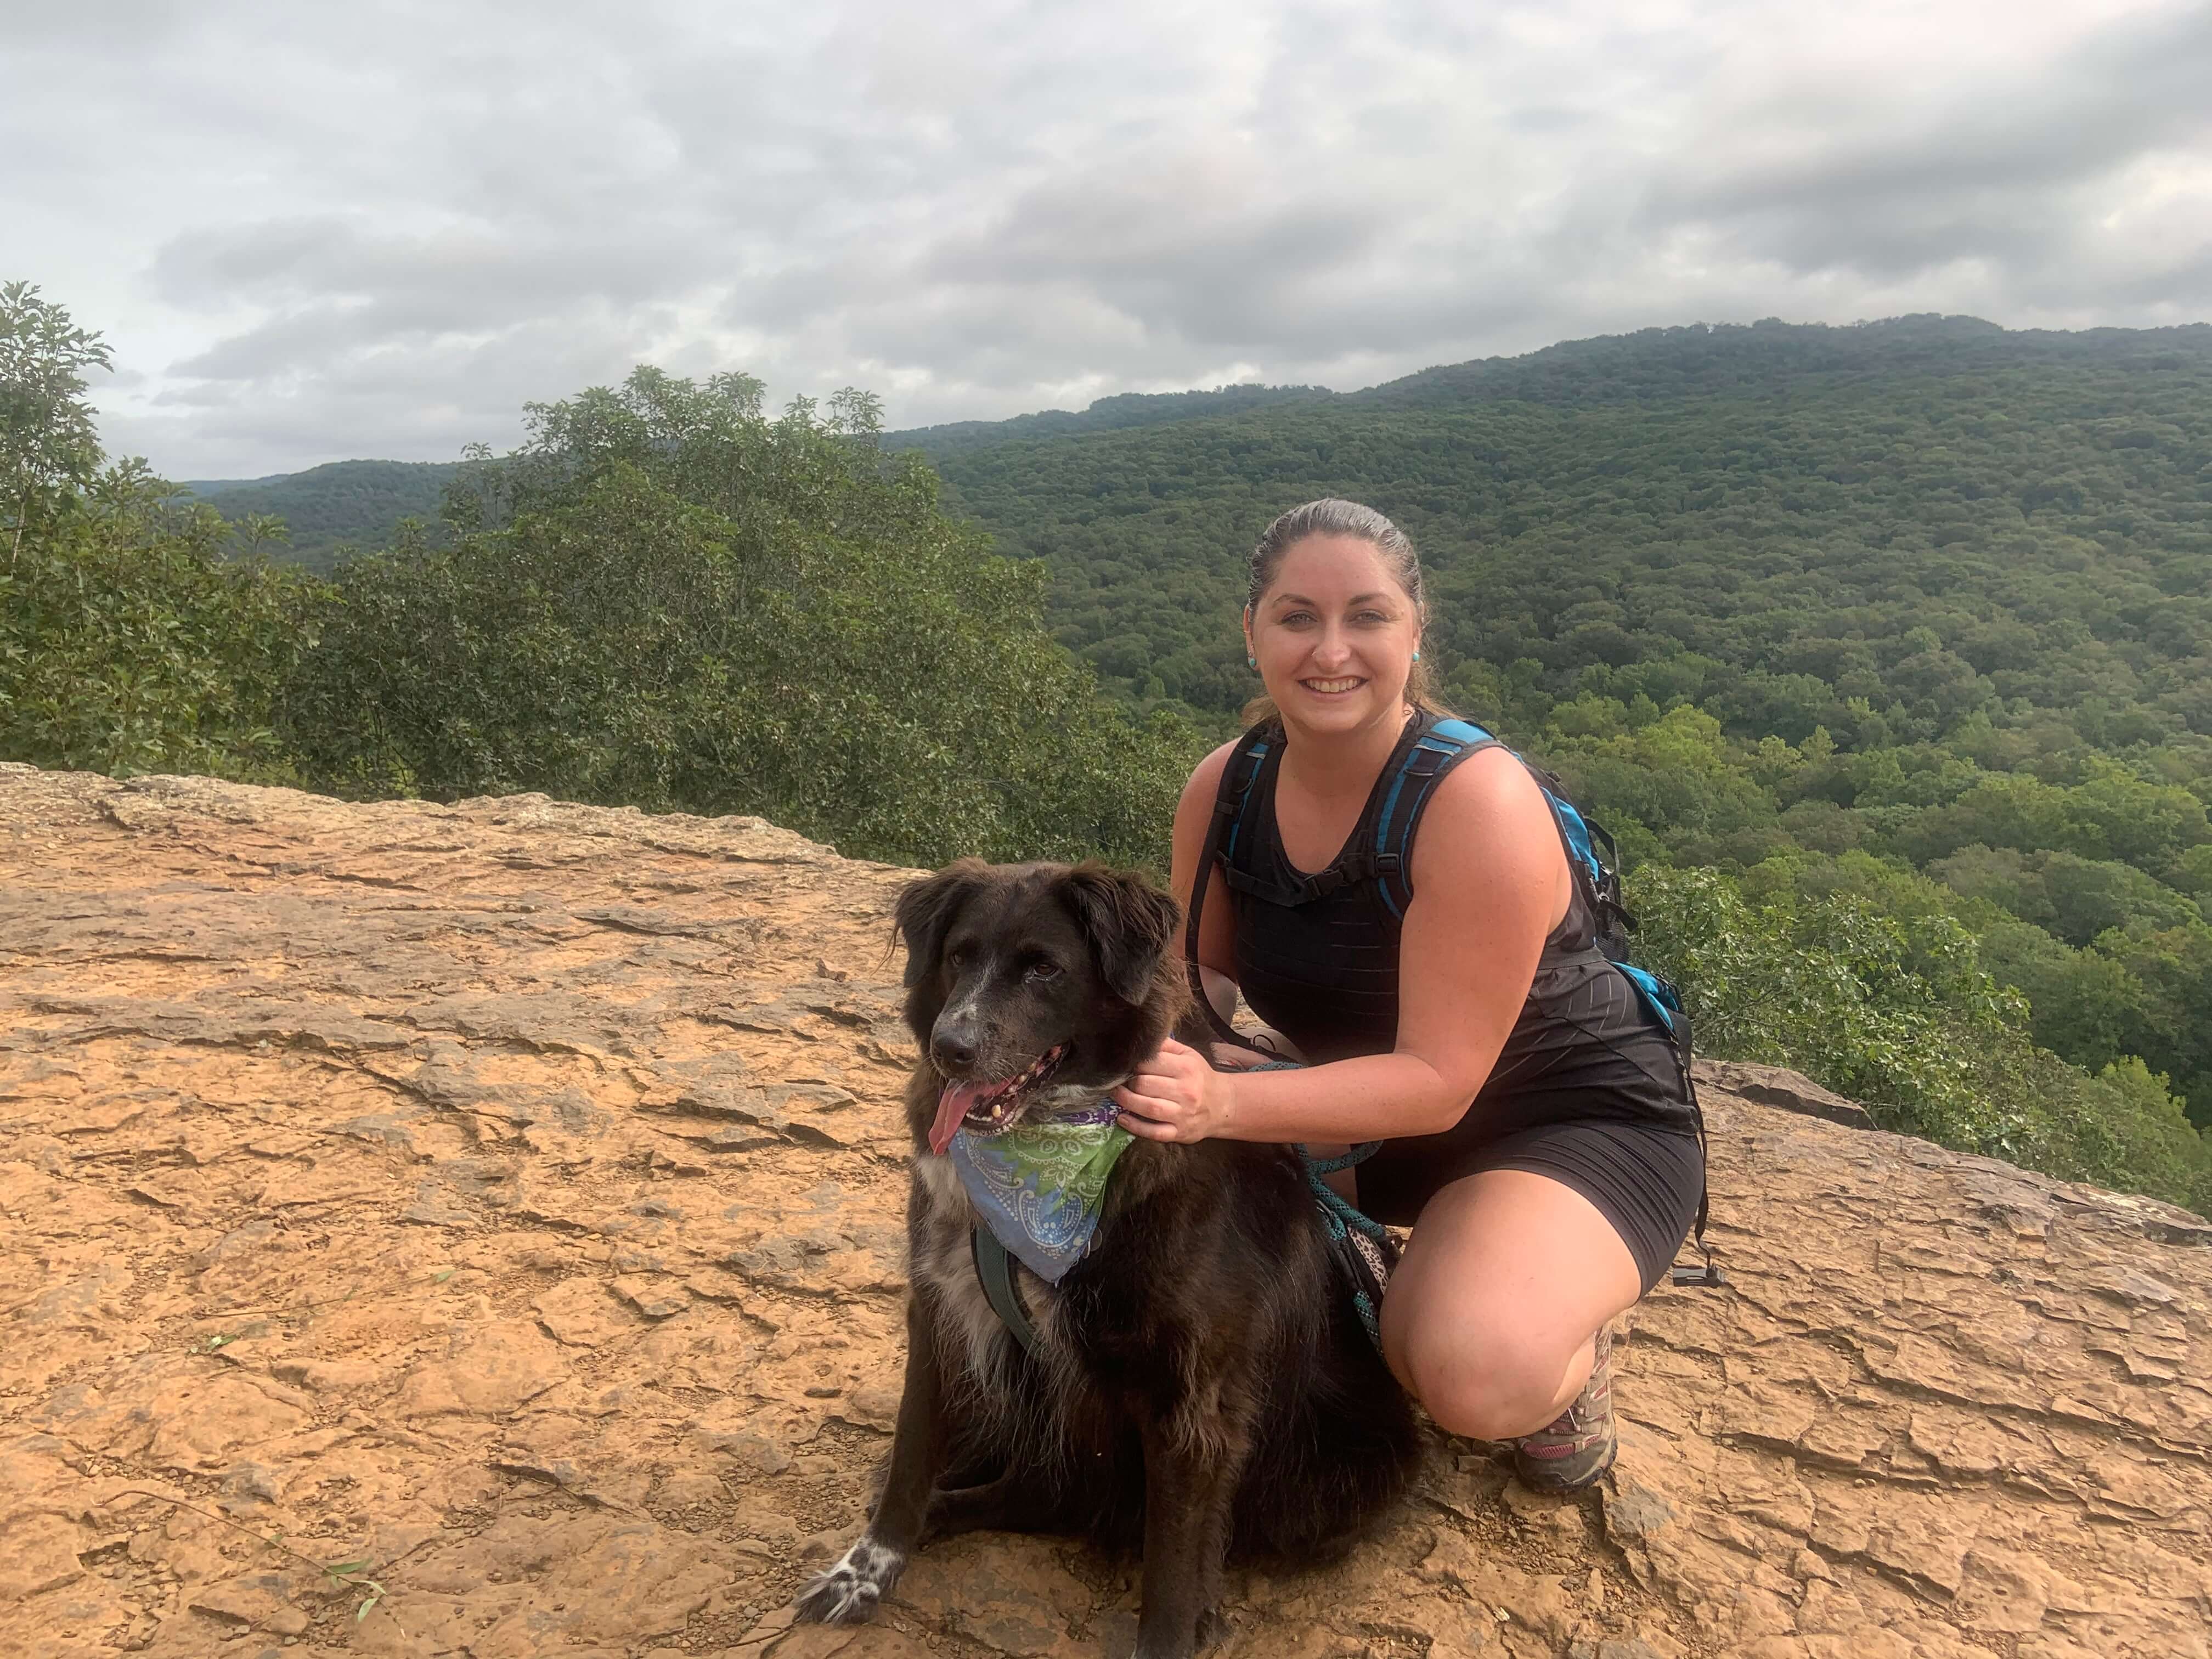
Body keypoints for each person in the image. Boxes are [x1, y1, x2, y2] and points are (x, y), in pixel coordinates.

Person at [1110, 498, 1705, 1490]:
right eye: (1297, 616)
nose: (1330, 650)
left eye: (1368, 617)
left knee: (1467, 1373)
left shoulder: (1473, 800)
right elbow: (1195, 980)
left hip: (1567, 1122)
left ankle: (1566, 1341)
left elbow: (1437, 1080)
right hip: (1359, 1113)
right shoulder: (1228, 787)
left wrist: (1226, 1101)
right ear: (1251, 629)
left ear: (1415, 630)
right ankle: (1425, 1265)